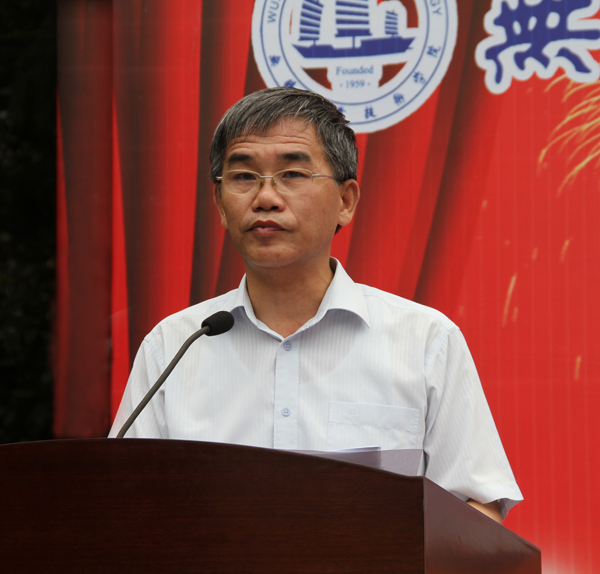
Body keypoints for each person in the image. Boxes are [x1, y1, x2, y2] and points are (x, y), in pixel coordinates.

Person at [109, 87, 523, 523]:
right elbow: (123, 505)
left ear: (346, 201)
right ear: (220, 204)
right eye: (244, 177)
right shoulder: (174, 346)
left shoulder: (424, 340)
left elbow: (478, 505)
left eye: (293, 174)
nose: (265, 198)